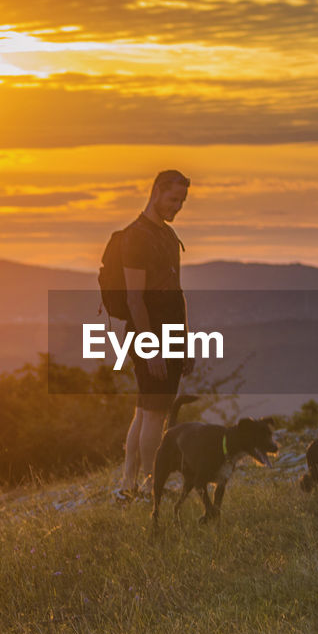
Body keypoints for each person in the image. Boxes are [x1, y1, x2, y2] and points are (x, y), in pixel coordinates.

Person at [116, 169, 192, 500]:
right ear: (156, 193)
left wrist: (185, 341)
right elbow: (134, 297)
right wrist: (151, 348)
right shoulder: (135, 238)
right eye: (173, 199)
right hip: (150, 335)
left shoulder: (166, 235)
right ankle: (151, 486)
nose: (177, 207)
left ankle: (127, 484)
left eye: (182, 201)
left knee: (145, 410)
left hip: (171, 334)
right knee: (156, 413)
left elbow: (176, 292)